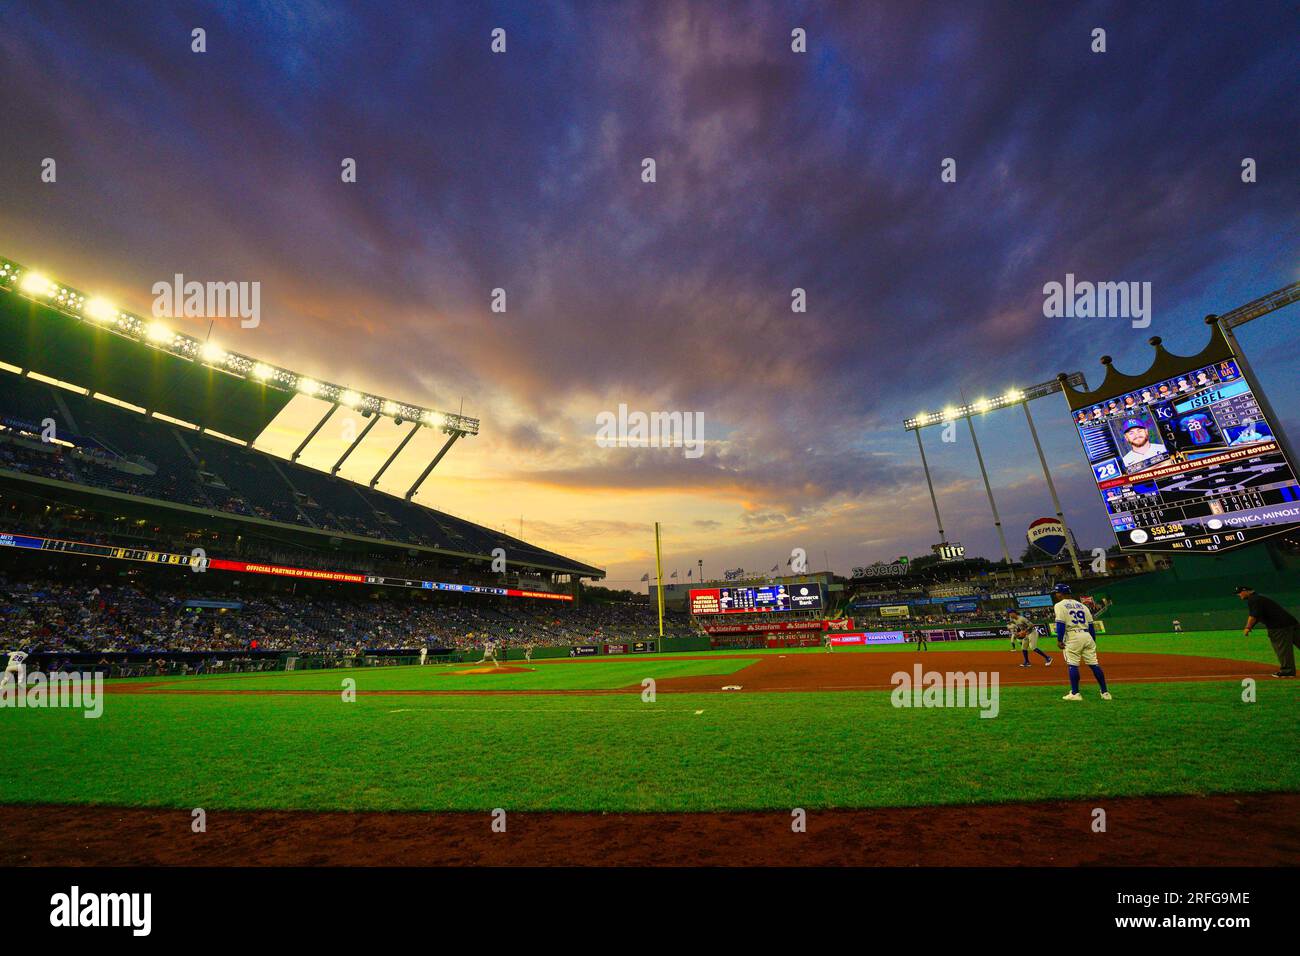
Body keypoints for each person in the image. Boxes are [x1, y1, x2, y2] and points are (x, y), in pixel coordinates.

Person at [1052, 584, 1111, 701]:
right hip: (1087, 635)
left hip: (1073, 636)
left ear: (1060, 593)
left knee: (1072, 665)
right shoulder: (1082, 606)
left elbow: (1060, 623)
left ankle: (1075, 693)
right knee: (1094, 664)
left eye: (1057, 592)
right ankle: (1105, 693)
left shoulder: (1059, 605)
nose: (1056, 595)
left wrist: (1059, 639)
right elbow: (1091, 626)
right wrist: (1092, 641)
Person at [1236, 585, 1297, 678]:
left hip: (1279, 627)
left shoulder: (1253, 599)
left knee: (1282, 649)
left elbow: (1253, 616)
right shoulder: (1259, 598)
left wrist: (1247, 627)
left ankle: (1287, 671)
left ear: (1246, 591)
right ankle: (1288, 670)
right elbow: (1257, 616)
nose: (1238, 594)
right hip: (1292, 623)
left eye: (1239, 592)